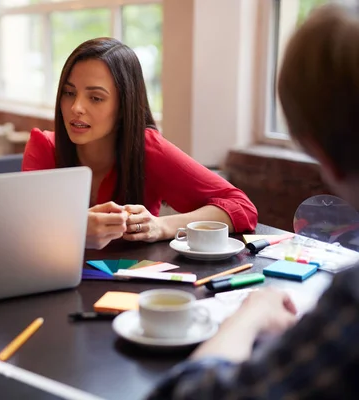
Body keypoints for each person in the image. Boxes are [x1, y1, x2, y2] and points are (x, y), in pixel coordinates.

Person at [150, 3, 359, 398]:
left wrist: (249, 316)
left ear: (320, 153)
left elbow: (193, 394)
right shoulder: (46, 147)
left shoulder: (351, 303)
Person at [22, 38, 257, 250]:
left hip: (134, 286)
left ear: (125, 106)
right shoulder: (44, 146)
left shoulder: (148, 150)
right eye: (69, 93)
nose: (75, 108)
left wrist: (161, 226)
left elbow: (241, 207)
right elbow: (21, 226)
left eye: (95, 98)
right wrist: (74, 228)